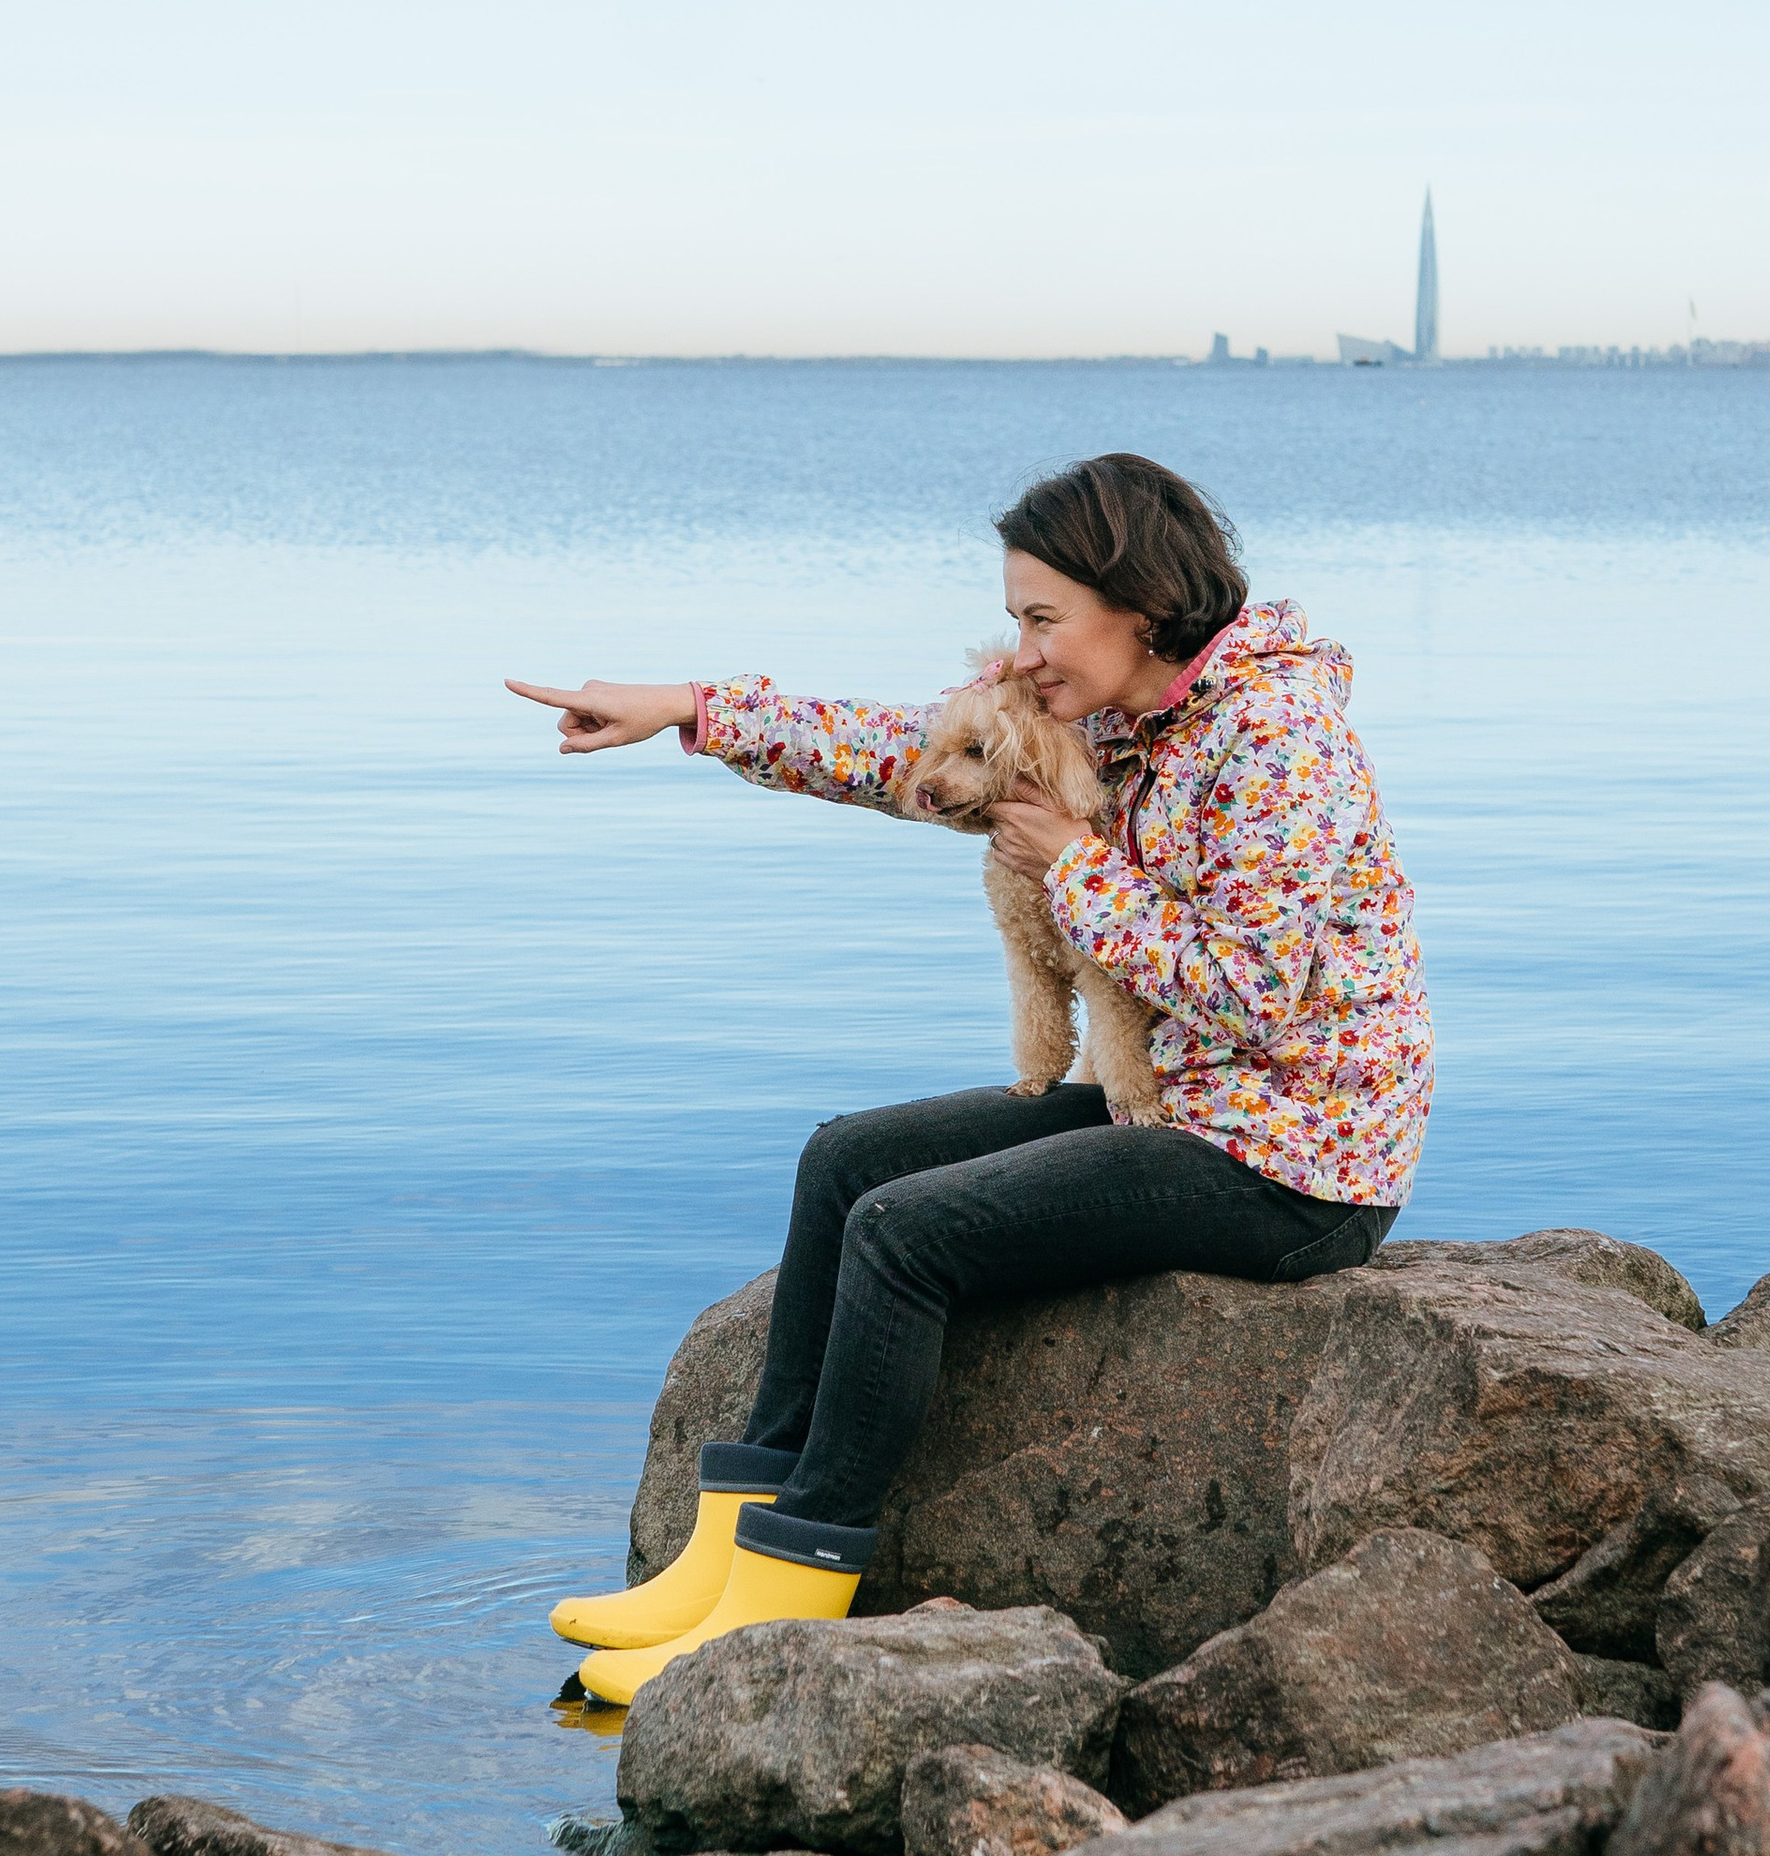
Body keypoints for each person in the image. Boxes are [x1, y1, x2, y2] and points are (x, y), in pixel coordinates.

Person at [506, 451, 1432, 1706]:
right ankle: (723, 1548)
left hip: (1291, 1159)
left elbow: (1252, 992)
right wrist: (692, 707)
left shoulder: (1276, 739)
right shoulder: (1115, 715)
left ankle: (786, 1594)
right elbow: (908, 746)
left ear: (1140, 604)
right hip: (1169, 1097)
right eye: (1016, 620)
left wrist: (1072, 868)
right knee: (848, 1157)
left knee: (908, 1231)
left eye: (1041, 618)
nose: (1023, 649)